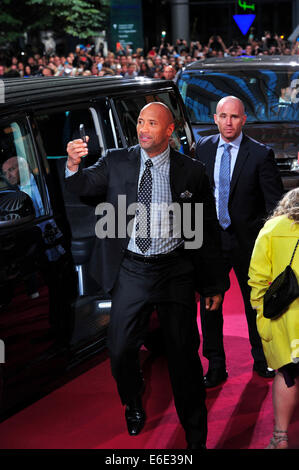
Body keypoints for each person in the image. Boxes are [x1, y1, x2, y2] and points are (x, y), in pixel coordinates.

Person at [65, 102, 229, 449]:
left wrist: (214, 282)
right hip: (132, 268)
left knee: (184, 355)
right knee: (121, 348)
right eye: (140, 121)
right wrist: (73, 165)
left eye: (152, 123)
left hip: (175, 270)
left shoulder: (191, 171)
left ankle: (195, 435)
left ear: (169, 131)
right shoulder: (116, 160)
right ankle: (133, 400)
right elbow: (83, 186)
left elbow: (207, 228)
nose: (143, 128)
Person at [195, 96, 284, 388]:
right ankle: (216, 366)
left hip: (248, 242)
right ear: (215, 118)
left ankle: (262, 359)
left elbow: (275, 206)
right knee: (210, 306)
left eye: (234, 117)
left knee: (254, 304)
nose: (228, 122)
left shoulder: (260, 154)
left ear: (244, 119)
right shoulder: (203, 149)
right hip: (211, 242)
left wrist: (270, 247)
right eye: (223, 116)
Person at [248, 188, 299, 449]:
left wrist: (262, 314)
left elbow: (256, 278)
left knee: (288, 375)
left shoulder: (272, 228)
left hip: (284, 321)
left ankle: (280, 438)